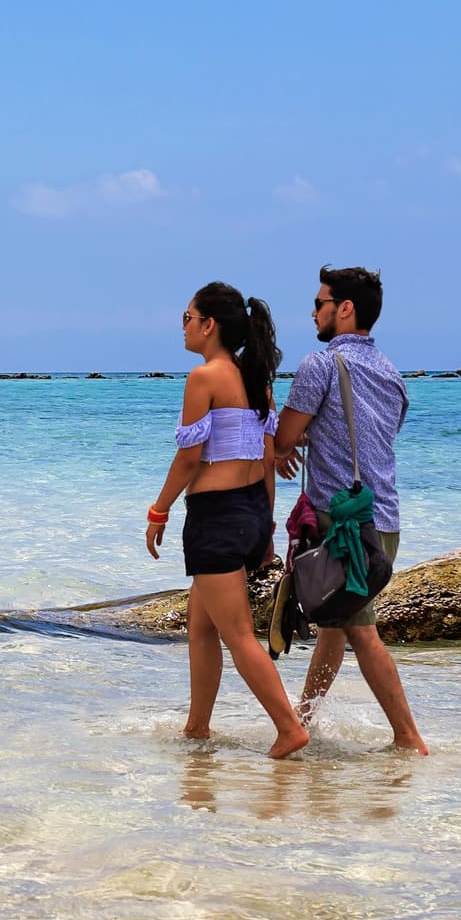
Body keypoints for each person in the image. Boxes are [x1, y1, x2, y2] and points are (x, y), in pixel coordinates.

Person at [144, 282, 307, 759]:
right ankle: (197, 728)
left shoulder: (205, 377)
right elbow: (269, 455)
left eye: (187, 317)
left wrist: (159, 509)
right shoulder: (256, 379)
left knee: (236, 635)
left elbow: (189, 459)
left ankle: (289, 728)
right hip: (253, 512)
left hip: (215, 520)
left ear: (208, 324)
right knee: (201, 627)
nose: (184, 326)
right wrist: (268, 529)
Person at [272, 264, 430, 754]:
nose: (313, 313)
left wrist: (279, 444)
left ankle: (408, 738)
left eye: (320, 303)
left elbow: (287, 436)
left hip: (344, 527)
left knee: (360, 631)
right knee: (335, 626)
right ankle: (305, 719)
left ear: (344, 309)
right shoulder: (393, 375)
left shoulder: (320, 365)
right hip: (384, 518)